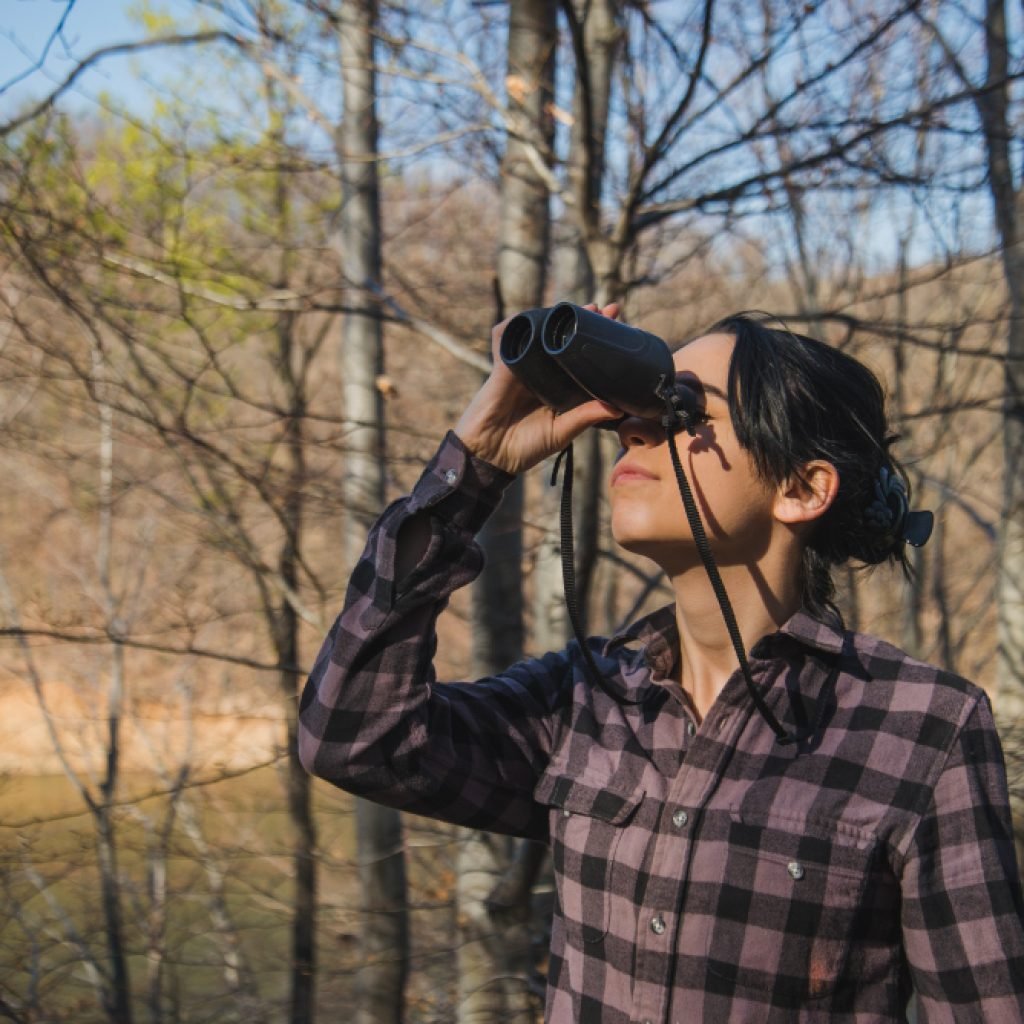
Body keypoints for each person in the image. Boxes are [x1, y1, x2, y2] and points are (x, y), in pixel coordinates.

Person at [298, 305, 1024, 1023]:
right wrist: (476, 465)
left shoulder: (923, 730)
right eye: (642, 404)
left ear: (801, 489)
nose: (633, 428)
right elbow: (355, 736)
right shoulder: (586, 697)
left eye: (682, 410)